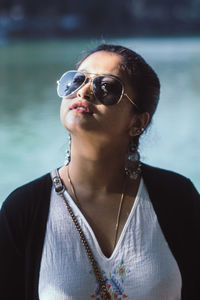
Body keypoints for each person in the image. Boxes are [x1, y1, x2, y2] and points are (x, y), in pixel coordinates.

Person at [0, 44, 199, 300]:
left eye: (106, 87)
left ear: (137, 122)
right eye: (77, 79)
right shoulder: (24, 209)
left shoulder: (177, 198)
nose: (83, 91)